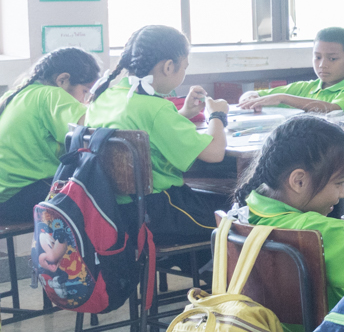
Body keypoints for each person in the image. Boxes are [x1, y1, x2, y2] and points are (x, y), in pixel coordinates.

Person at [82, 25, 232, 248]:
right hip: (162, 212)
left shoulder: (105, 97)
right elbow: (215, 153)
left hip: (117, 212)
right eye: (184, 67)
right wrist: (217, 115)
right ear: (168, 66)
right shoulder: (156, 108)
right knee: (237, 214)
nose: (183, 73)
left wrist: (184, 113)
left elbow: (146, 130)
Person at [226, 117, 344, 320]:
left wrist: (337, 167)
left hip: (271, 330)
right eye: (339, 183)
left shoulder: (246, 209)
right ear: (299, 181)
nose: (343, 193)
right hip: (336, 331)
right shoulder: (311, 230)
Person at [0, 47, 101, 223]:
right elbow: (91, 130)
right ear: (62, 80)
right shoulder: (52, 95)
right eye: (85, 91)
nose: (85, 100)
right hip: (18, 198)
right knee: (99, 195)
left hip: (7, 198)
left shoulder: (15, 95)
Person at [237, 28, 344, 113]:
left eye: (332, 59)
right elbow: (254, 95)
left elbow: (332, 110)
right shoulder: (306, 88)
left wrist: (283, 98)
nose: (322, 65)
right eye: (318, 57)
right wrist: (248, 97)